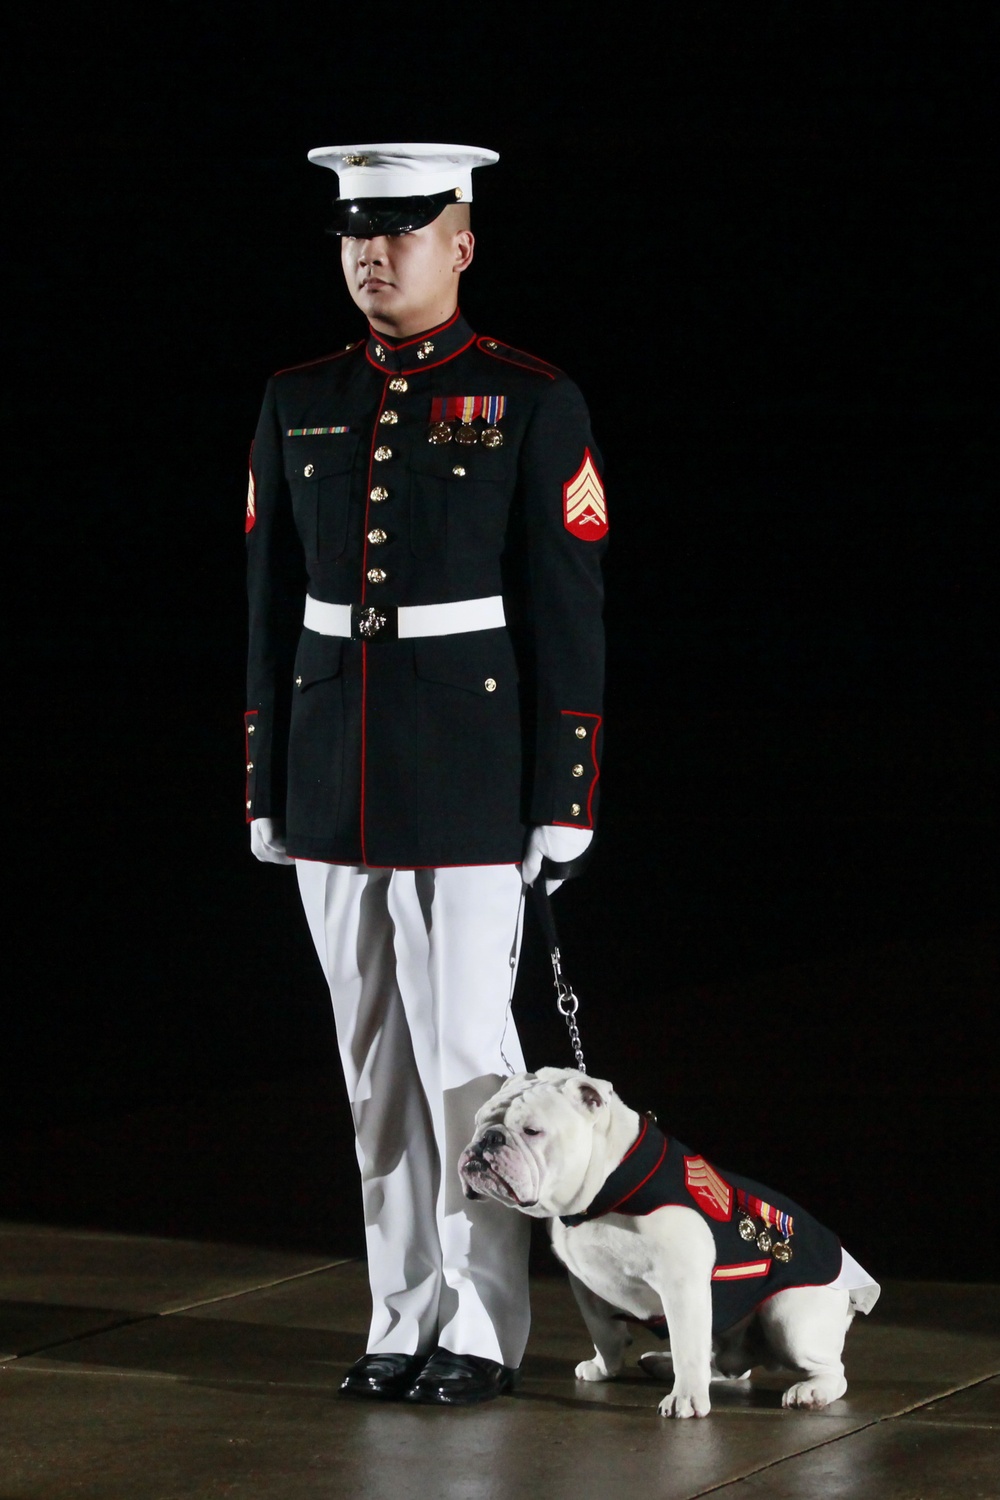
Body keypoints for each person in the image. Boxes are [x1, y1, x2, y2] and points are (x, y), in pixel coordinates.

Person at [245, 143, 608, 1404]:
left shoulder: (526, 396)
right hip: (329, 764)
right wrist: (263, 780)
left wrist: (562, 794)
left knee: (465, 1058)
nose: (372, 253)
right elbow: (265, 604)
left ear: (459, 245)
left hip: (465, 766)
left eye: (403, 231)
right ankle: (397, 1312)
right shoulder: (299, 395)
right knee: (373, 1069)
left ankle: (477, 1326)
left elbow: (568, 604)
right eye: (356, 231)